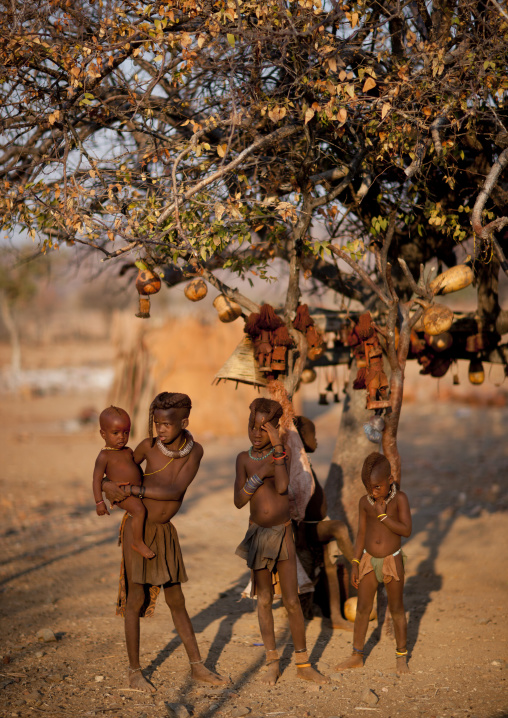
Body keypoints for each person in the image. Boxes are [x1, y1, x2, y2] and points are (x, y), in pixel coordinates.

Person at [102, 392, 226, 693]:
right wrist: (107, 485)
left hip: (165, 533)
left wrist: (133, 489)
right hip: (139, 530)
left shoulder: (194, 452)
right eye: (156, 423)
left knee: (177, 600)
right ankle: (134, 671)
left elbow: (174, 490)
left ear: (184, 422)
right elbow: (117, 468)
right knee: (134, 599)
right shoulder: (146, 447)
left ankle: (197, 666)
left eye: (167, 425)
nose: (160, 430)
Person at [234, 398, 329, 686]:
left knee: (291, 600)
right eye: (253, 427)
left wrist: (275, 451)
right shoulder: (243, 458)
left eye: (264, 428)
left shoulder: (282, 454)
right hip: (259, 535)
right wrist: (256, 477)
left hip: (283, 533)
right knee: (264, 599)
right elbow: (239, 500)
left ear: (276, 429)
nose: (256, 433)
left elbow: (283, 486)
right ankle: (272, 662)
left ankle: (303, 663)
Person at [335, 452, 412, 674]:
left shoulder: (400, 499)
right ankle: (356, 655)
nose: (373, 491)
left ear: (390, 479)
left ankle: (401, 657)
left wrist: (384, 517)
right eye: (369, 487)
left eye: (377, 487)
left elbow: (406, 530)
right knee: (362, 609)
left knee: (396, 608)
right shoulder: (365, 502)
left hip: (392, 560)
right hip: (368, 559)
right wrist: (356, 563)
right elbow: (361, 534)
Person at [292, 416, 355, 631]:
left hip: (317, 523)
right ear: (301, 437)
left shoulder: (304, 462)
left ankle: (336, 616)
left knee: (330, 567)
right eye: (313, 436)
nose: (316, 441)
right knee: (339, 528)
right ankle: (358, 564)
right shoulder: (296, 465)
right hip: (308, 527)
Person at [93, 406, 155, 560]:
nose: (121, 437)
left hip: (135, 490)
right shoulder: (104, 456)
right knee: (139, 510)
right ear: (103, 434)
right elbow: (96, 480)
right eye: (115, 433)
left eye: (125, 432)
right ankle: (137, 542)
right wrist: (99, 502)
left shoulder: (127, 451)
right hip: (122, 494)